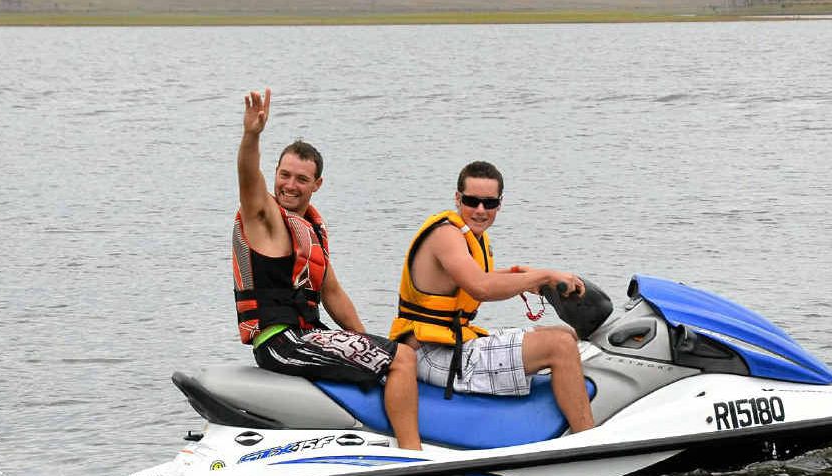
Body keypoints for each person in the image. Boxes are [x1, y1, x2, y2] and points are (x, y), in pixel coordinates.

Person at [234, 88, 421, 450]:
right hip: (281, 341)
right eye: (284, 175)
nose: (290, 185)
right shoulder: (265, 220)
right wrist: (251, 136)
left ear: (317, 185)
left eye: (301, 179)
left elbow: (332, 293)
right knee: (403, 359)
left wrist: (367, 341)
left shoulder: (311, 230)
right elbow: (247, 178)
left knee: (401, 349)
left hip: (305, 336)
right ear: (274, 173)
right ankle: (413, 454)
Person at [388, 160, 594, 433]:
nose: (480, 210)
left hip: (451, 343)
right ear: (458, 198)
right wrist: (543, 276)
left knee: (565, 334)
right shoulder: (446, 235)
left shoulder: (471, 236)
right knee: (559, 345)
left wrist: (520, 276)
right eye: (472, 201)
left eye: (489, 203)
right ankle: (586, 439)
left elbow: (473, 278)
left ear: (500, 203)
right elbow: (480, 287)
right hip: (430, 353)